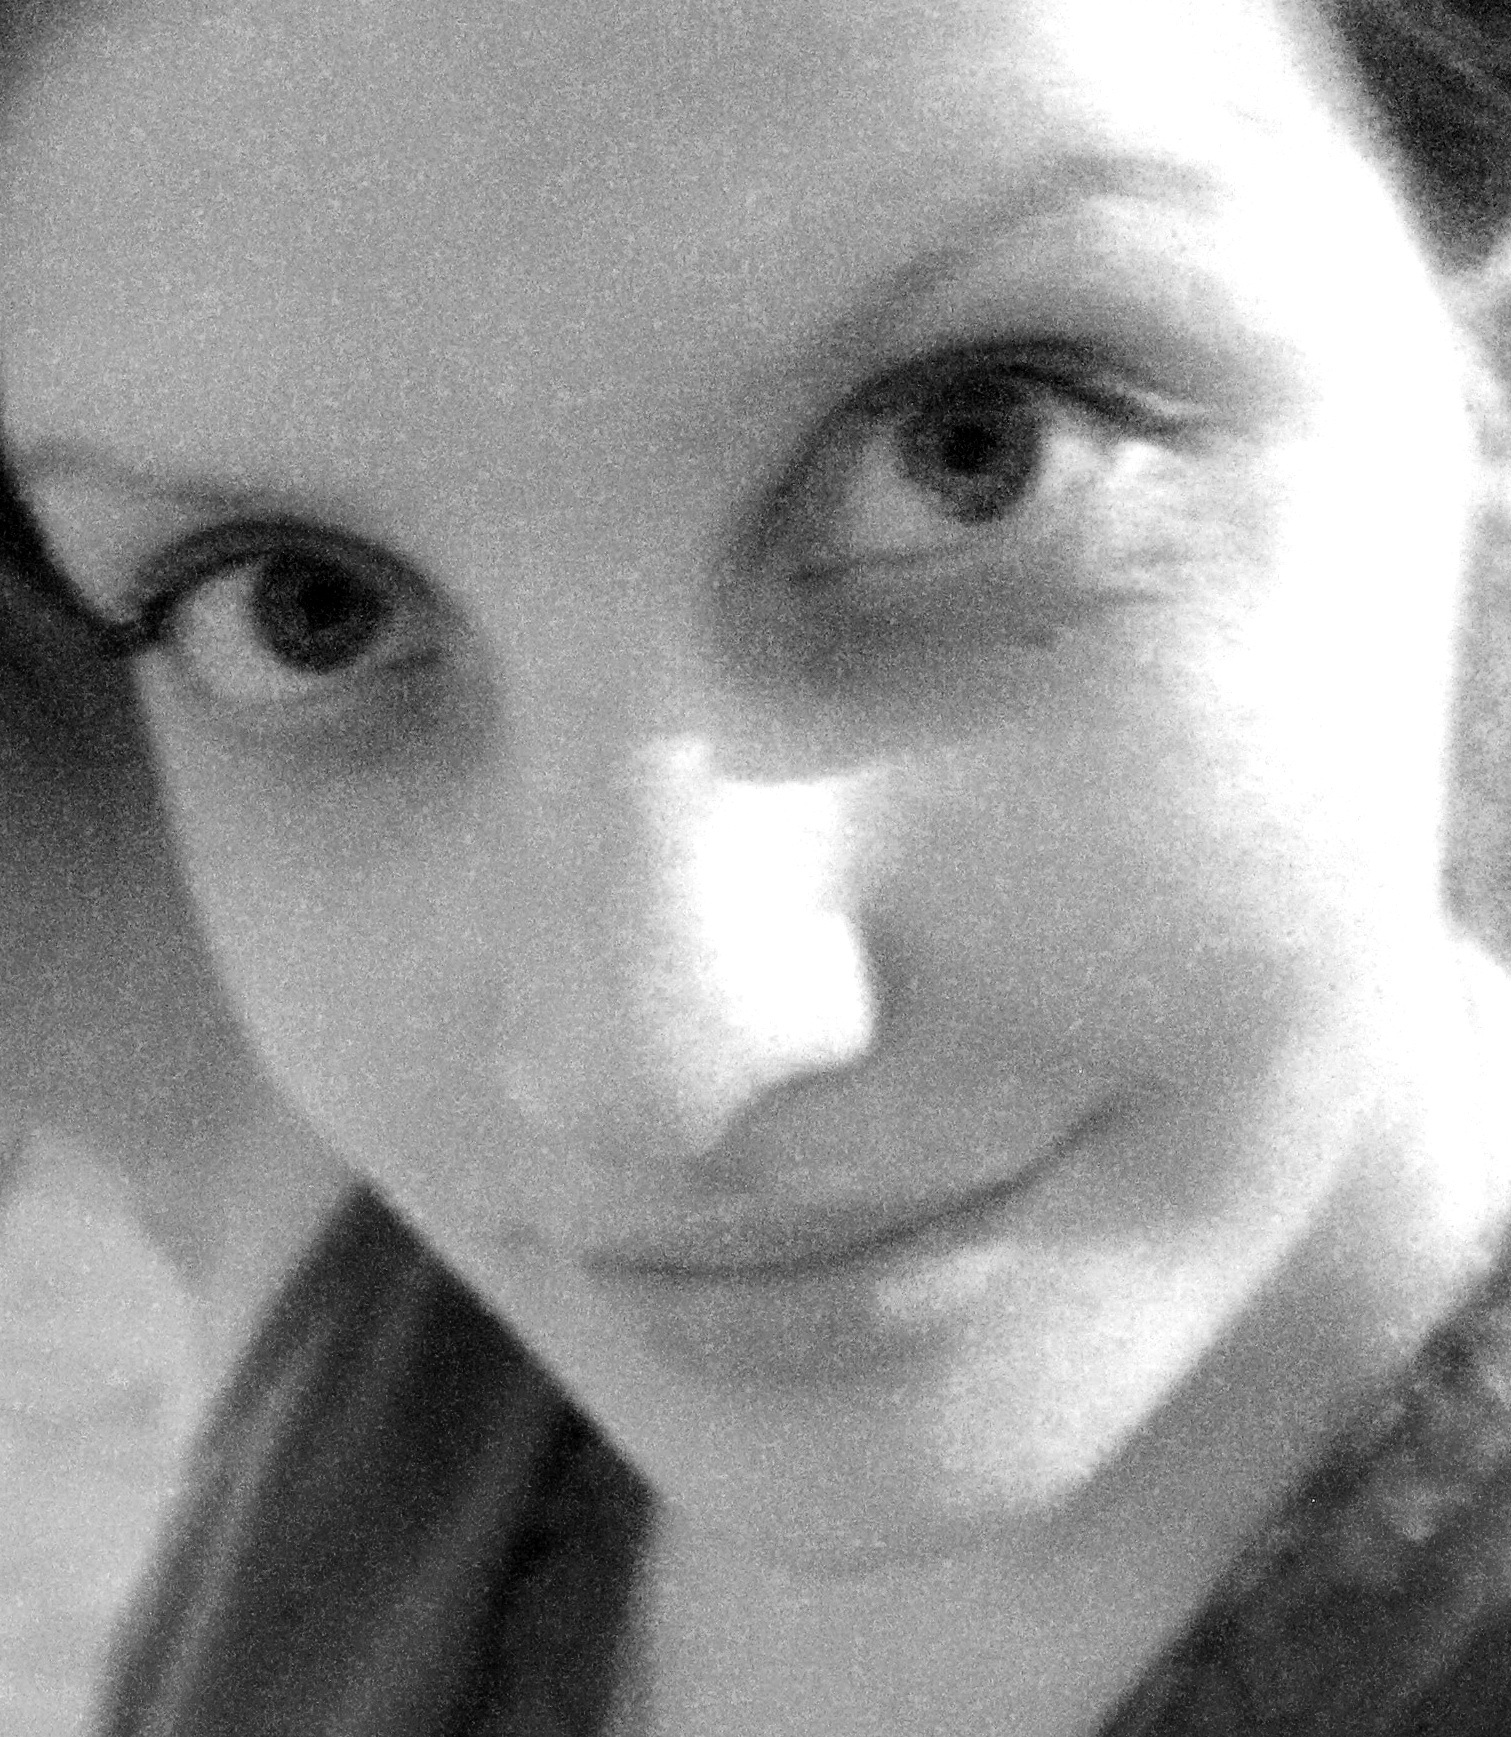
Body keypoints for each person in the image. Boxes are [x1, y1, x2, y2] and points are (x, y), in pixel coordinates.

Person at [4, 0, 1511, 1730]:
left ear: (1483, 336)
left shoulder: (329, 1230)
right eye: (303, 609)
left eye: (976, 450)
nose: (658, 1072)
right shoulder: (373, 1282)